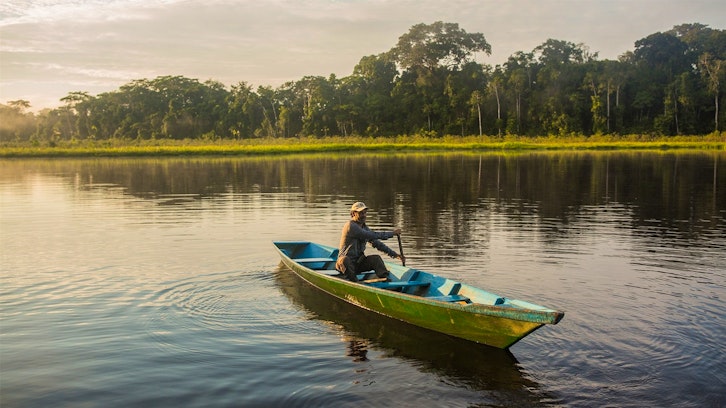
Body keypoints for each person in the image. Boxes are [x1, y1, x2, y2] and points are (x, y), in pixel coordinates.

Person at [336, 202, 405, 282]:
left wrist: (395, 255)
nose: (364, 215)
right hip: (344, 265)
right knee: (345, 260)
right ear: (353, 214)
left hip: (358, 264)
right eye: (361, 213)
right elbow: (372, 235)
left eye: (365, 213)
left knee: (376, 259)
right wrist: (392, 233)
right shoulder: (350, 226)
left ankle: (386, 280)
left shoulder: (364, 228)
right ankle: (355, 282)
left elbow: (377, 244)